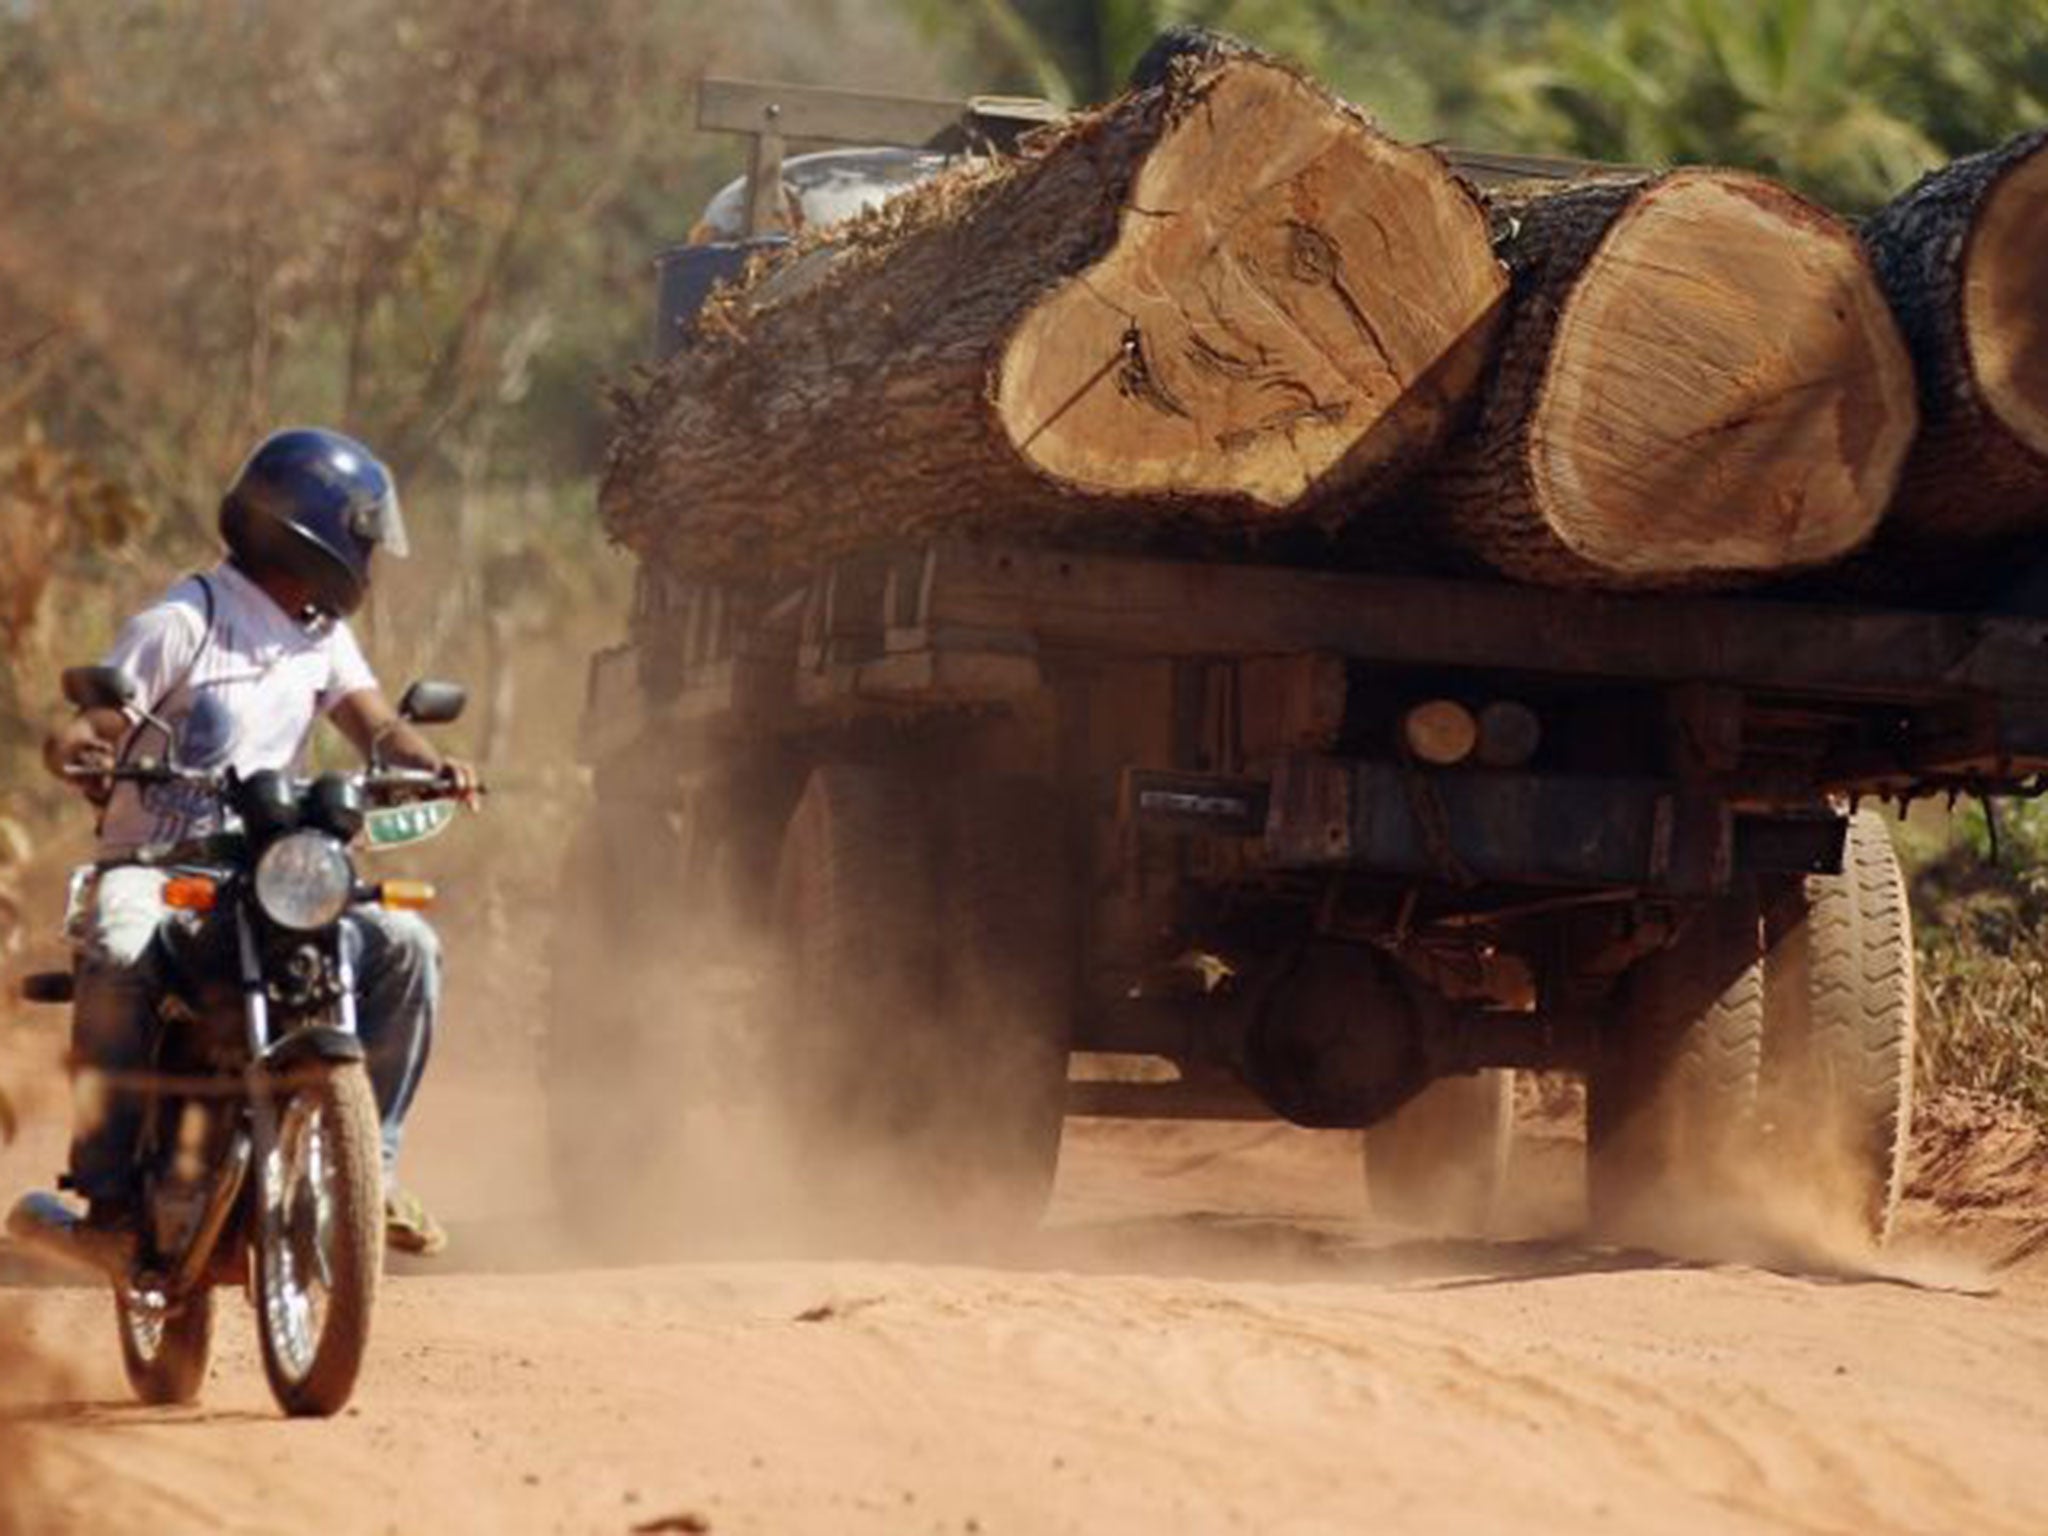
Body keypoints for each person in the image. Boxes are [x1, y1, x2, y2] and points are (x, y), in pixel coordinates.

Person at [38, 427, 477, 1258]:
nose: (367, 561)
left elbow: (376, 726)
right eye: (359, 539)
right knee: (121, 950)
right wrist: (86, 753)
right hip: (164, 869)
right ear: (312, 532)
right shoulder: (185, 620)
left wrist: (435, 764)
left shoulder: (319, 636)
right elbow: (87, 727)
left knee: (408, 946)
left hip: (277, 868)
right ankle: (106, 1194)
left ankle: (369, 1174)